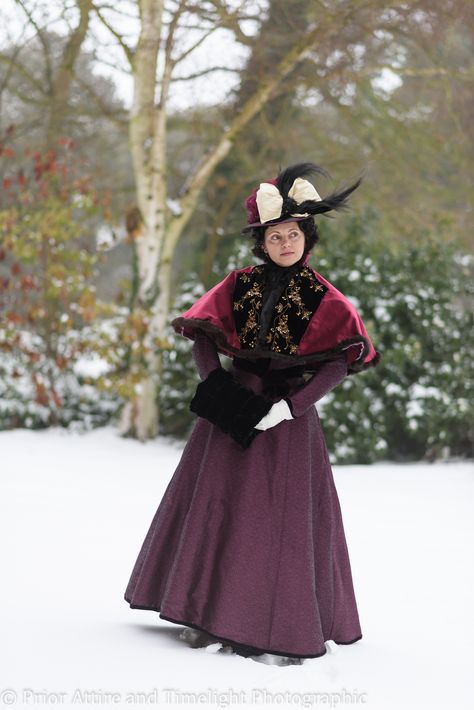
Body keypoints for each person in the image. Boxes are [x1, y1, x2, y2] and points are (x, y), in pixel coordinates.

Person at [124, 161, 382, 662]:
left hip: (287, 427)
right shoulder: (237, 284)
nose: (285, 243)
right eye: (274, 235)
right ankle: (199, 612)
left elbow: (338, 363)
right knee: (215, 509)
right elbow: (202, 334)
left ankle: (277, 620)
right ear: (260, 243)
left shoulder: (327, 299)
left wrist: (290, 408)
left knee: (276, 523)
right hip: (230, 418)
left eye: (293, 234)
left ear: (307, 238)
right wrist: (219, 388)